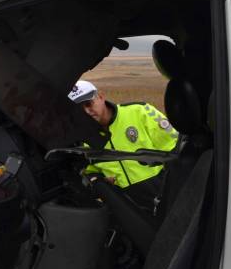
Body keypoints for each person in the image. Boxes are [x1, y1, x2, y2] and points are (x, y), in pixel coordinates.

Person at [67, 79, 179, 212]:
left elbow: (175, 147)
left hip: (164, 192)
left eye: (88, 103)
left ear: (101, 97)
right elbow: (89, 169)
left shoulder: (140, 111)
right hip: (126, 205)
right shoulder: (82, 136)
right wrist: (97, 180)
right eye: (79, 109)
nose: (86, 112)